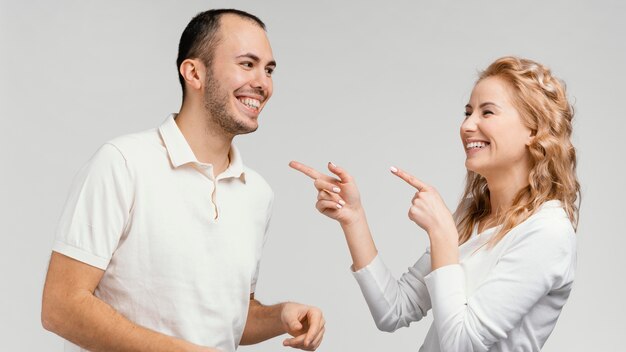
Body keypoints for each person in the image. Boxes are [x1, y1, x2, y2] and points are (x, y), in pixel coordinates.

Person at [41, 9, 325, 352]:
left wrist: (280, 315)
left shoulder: (258, 193)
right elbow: (61, 306)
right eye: (247, 64)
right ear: (194, 72)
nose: (263, 83)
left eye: (268, 69)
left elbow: (228, 317)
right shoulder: (123, 163)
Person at [290, 56, 578, 351]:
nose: (467, 125)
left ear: (533, 130)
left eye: (487, 112)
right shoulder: (471, 214)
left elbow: (461, 344)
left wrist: (442, 234)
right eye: (467, 112)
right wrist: (353, 217)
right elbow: (394, 311)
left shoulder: (547, 232)